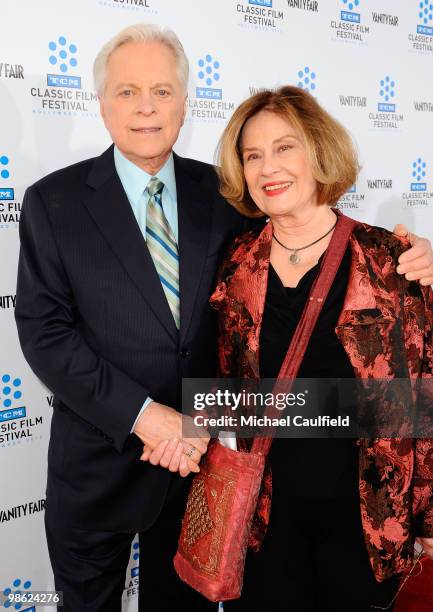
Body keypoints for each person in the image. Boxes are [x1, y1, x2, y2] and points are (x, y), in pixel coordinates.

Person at [14, 22, 432, 612]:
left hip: (215, 478)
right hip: (102, 469)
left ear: (186, 103)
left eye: (162, 90)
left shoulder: (223, 196)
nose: (146, 108)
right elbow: (45, 334)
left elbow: (406, 387)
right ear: (101, 103)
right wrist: (145, 417)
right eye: (127, 91)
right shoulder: (52, 201)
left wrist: (420, 258)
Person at [205, 86, 433, 612]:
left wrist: (426, 519)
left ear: (318, 153)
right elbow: (228, 387)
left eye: (285, 147)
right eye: (253, 154)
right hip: (264, 518)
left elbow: (419, 397)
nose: (269, 167)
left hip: (365, 523)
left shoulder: (387, 259)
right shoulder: (238, 261)